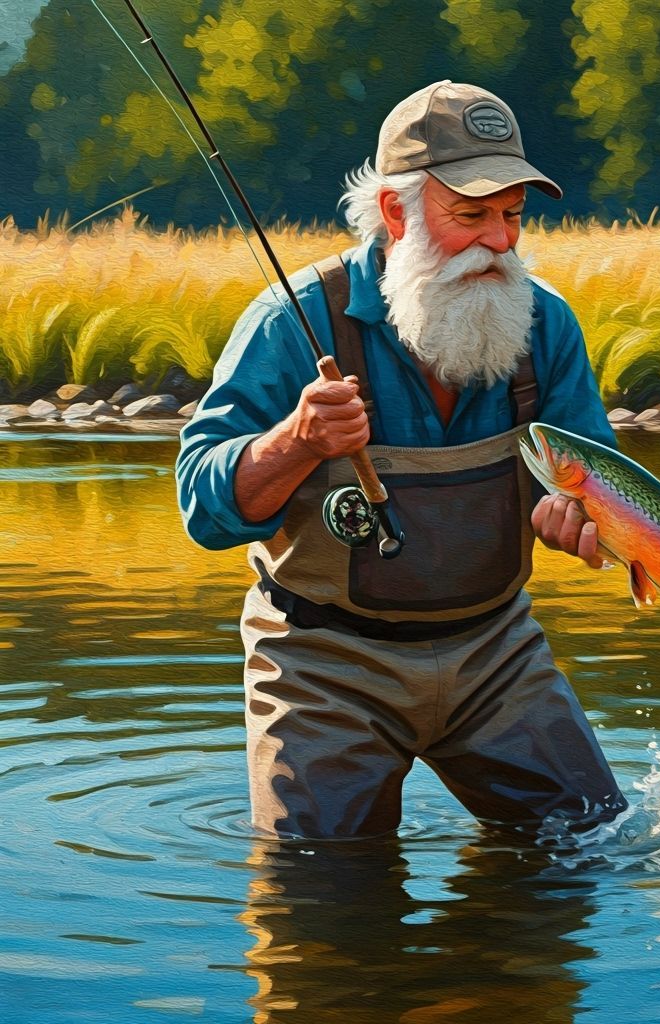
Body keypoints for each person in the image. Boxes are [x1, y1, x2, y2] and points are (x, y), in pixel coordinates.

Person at [176, 80, 628, 840]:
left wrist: (583, 521)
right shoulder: (292, 322)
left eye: (513, 215)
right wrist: (296, 441)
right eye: (472, 214)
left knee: (592, 849)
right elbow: (203, 511)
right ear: (396, 211)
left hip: (498, 655)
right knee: (321, 901)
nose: (499, 242)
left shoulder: (544, 322)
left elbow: (599, 484)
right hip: (322, 664)